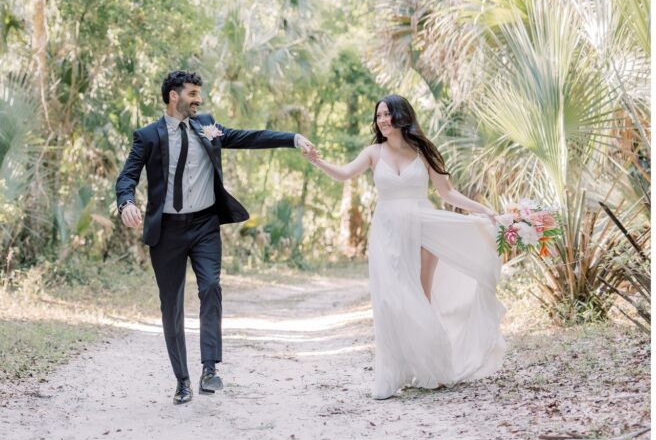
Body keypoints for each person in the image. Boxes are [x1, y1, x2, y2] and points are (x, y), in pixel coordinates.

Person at [116, 70, 314, 405]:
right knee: (171, 306)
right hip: (167, 231)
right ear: (174, 96)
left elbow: (249, 137)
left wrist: (292, 138)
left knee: (210, 286)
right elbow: (127, 177)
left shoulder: (207, 126)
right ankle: (182, 380)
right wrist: (126, 203)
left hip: (205, 224)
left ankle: (210, 368)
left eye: (199, 94)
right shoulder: (148, 136)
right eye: (192, 93)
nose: (198, 100)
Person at [303, 94, 505, 400]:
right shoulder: (373, 152)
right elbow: (345, 174)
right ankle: (391, 374)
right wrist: (317, 160)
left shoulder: (423, 151)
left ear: (401, 116)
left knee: (419, 298)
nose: (382, 120)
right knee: (389, 302)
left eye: (387, 114)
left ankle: (432, 369)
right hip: (386, 233)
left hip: (424, 228)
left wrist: (483, 211)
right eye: (379, 116)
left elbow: (447, 193)